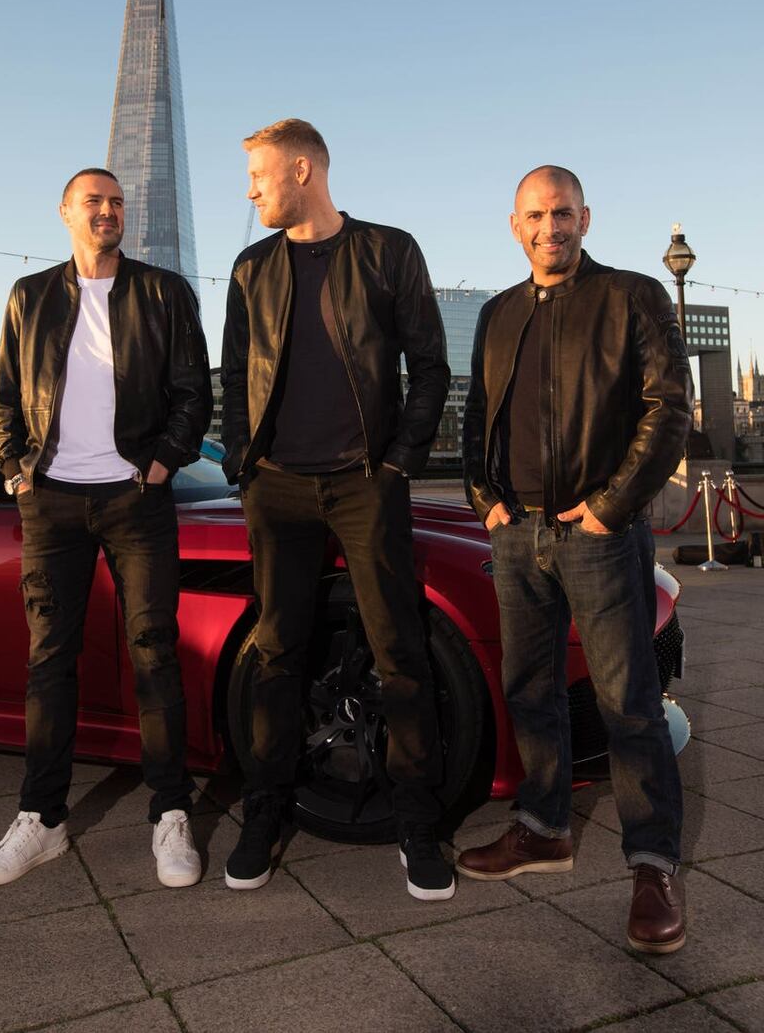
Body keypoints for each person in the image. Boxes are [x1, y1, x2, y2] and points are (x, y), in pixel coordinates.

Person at [459, 165, 693, 953]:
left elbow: (669, 411)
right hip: (515, 531)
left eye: (562, 213)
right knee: (530, 690)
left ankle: (654, 863)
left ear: (585, 217)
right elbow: (475, 419)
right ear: (514, 223)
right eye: (535, 214)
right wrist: (480, 496)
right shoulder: (496, 314)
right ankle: (543, 826)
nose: (549, 227)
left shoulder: (632, 297)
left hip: (598, 532)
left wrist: (609, 508)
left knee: (629, 703)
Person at [221, 118, 453, 900]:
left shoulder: (389, 251)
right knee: (275, 653)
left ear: (301, 169)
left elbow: (429, 366)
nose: (250, 190)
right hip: (276, 486)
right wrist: (241, 465)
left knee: (401, 655)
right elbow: (234, 378)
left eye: (257, 175)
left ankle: (417, 823)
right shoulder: (251, 268)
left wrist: (397, 464)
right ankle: (264, 810)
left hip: (364, 482)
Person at [0, 168, 213, 890]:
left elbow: (194, 390)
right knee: (50, 659)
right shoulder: (30, 294)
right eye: (93, 202)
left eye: (116, 202)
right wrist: (17, 473)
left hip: (135, 496)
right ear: (65, 213)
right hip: (51, 500)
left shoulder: (163, 291)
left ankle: (170, 812)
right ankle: (41, 819)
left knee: (154, 654)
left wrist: (166, 461)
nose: (107, 211)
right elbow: (6, 395)